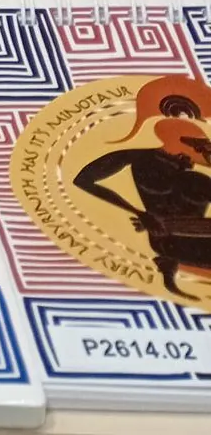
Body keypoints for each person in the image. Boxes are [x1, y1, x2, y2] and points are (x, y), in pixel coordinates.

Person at [73, 75, 211, 299]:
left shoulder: (195, 175)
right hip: (169, 240)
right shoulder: (141, 158)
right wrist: (139, 213)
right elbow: (83, 179)